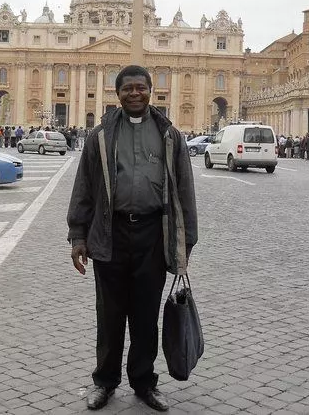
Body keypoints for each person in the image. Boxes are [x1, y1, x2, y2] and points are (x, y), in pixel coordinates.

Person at [67, 65, 198, 412]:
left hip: (152, 234)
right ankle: (105, 381)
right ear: (118, 94)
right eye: (128, 89)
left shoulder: (170, 135)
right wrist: (78, 235)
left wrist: (185, 242)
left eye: (141, 87)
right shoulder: (100, 136)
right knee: (109, 317)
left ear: (150, 90)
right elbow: (84, 188)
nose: (135, 94)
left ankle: (143, 382)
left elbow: (185, 191)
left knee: (145, 316)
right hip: (109, 233)